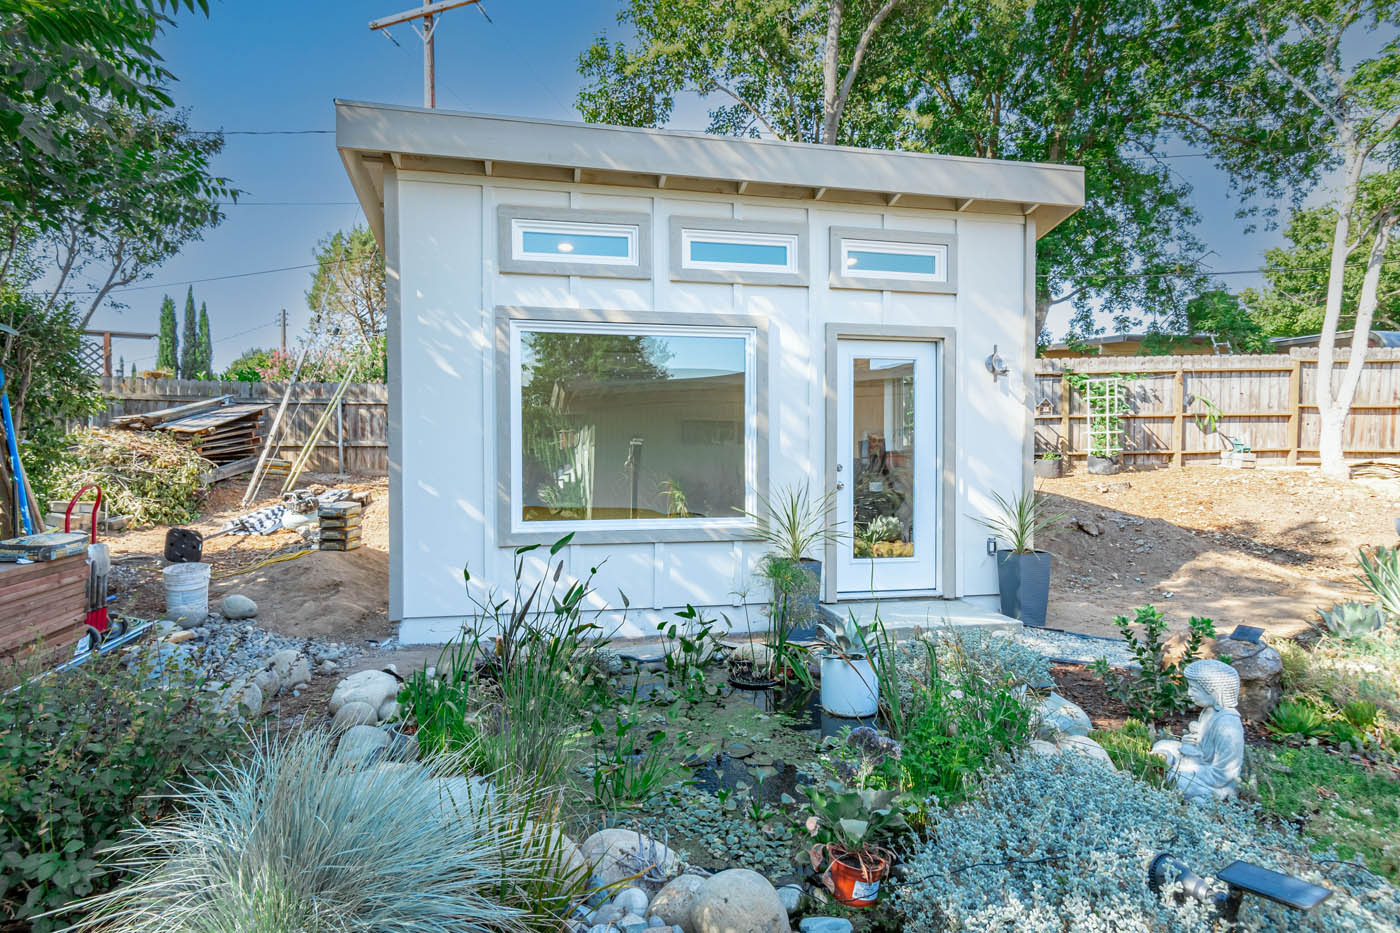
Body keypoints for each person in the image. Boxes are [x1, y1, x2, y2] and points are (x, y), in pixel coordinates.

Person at [1151, 659, 1245, 802]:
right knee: (1163, 744)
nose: (1188, 693)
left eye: (1194, 689)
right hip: (1199, 762)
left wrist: (1185, 767)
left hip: (1215, 781)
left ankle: (1168, 770)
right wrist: (1190, 741)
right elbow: (1202, 745)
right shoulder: (1208, 711)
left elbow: (1223, 774)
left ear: (1214, 692)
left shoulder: (1229, 726)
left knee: (1180, 781)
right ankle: (1164, 763)